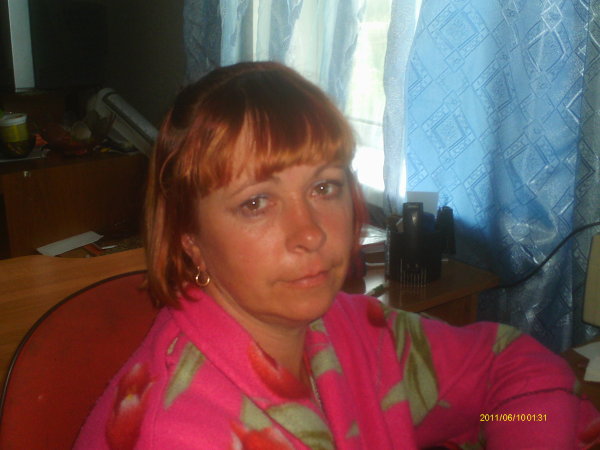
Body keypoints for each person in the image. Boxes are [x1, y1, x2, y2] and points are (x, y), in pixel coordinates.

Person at [75, 61, 600, 449]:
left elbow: (511, 372)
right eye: (256, 202)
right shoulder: (180, 433)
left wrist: (520, 429)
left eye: (324, 187)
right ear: (189, 239)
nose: (310, 233)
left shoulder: (343, 328)